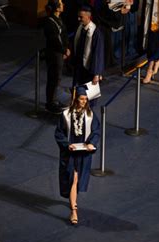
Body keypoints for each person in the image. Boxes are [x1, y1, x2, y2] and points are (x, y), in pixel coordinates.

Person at [54, 86, 100, 225]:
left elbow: (96, 131)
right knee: (73, 178)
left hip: (83, 153)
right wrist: (67, 145)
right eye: (81, 99)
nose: (83, 101)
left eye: (85, 99)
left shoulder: (90, 115)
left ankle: (73, 204)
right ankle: (74, 210)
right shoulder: (66, 115)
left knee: (77, 179)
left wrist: (91, 143)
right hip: (70, 152)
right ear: (75, 99)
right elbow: (59, 133)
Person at [44, 0, 71, 114]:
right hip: (54, 53)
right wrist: (64, 50)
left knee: (57, 78)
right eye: (60, 3)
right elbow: (56, 40)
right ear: (56, 7)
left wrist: (65, 49)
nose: (63, 4)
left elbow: (63, 36)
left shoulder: (58, 19)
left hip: (59, 53)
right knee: (54, 78)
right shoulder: (50, 21)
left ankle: (53, 100)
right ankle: (51, 103)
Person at [73, 5, 105, 88]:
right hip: (79, 68)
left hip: (90, 69)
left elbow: (98, 55)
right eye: (78, 17)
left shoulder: (96, 32)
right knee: (80, 94)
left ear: (88, 17)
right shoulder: (80, 28)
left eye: (81, 17)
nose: (78, 19)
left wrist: (97, 74)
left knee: (90, 96)